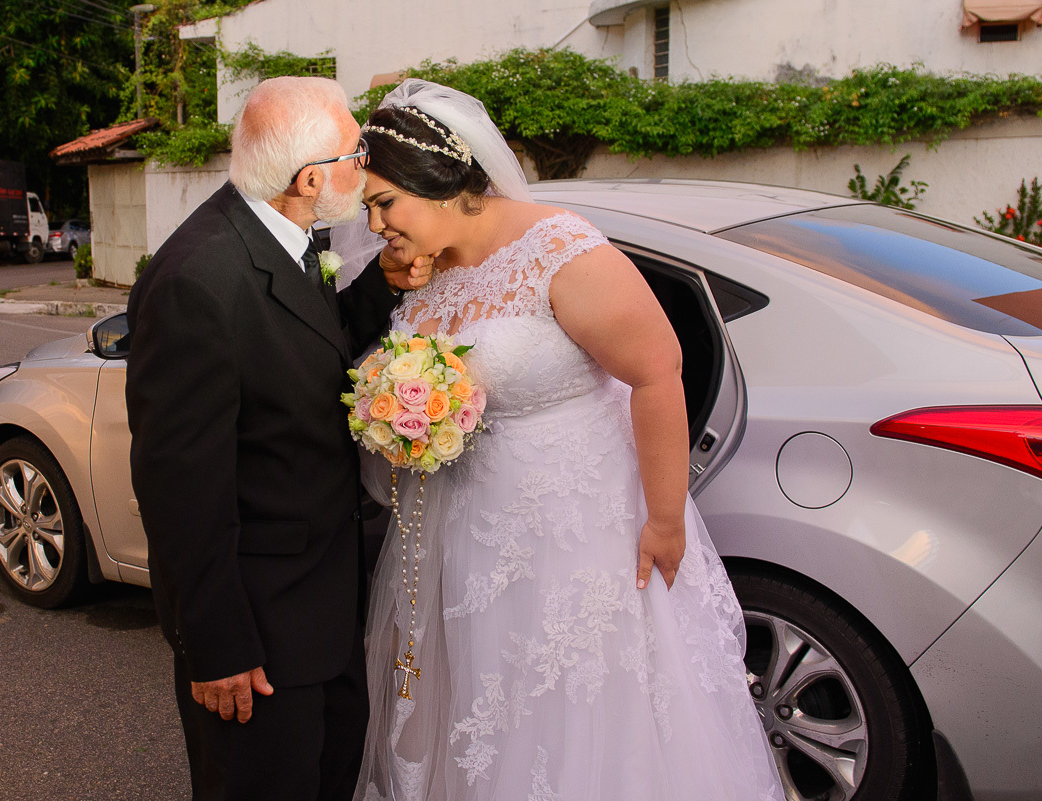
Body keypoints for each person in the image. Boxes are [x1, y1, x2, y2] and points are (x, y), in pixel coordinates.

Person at [346, 80, 785, 801]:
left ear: (441, 182)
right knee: (476, 700)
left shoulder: (557, 247)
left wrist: (665, 516)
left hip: (574, 530)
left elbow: (657, 370)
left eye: (383, 203)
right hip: (463, 530)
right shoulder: (425, 269)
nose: (374, 223)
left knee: (575, 709)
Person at [125, 76, 431, 801]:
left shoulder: (285, 236)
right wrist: (217, 647)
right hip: (257, 642)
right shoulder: (195, 282)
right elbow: (179, 493)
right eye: (358, 151)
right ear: (312, 178)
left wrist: (384, 286)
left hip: (322, 611)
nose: (368, 164)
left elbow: (303, 350)